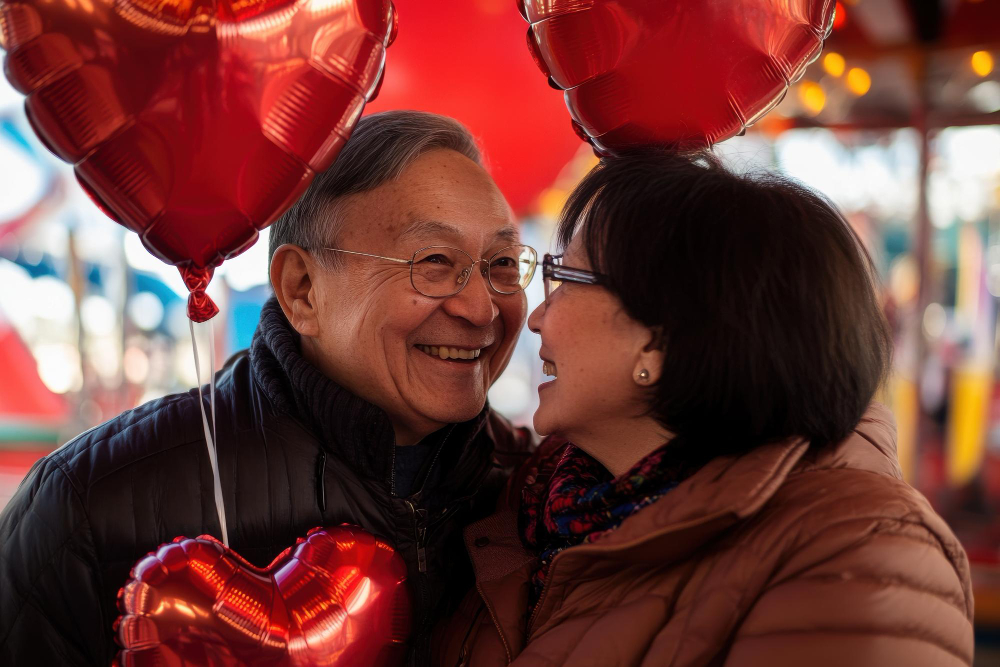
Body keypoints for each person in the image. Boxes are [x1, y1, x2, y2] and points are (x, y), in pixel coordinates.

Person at [0, 110, 536, 665]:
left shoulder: (543, 493)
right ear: (301, 289)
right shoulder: (89, 502)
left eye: (500, 263)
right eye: (435, 262)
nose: (481, 309)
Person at [436, 152, 974, 666]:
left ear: (660, 341)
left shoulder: (857, 548)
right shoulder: (543, 504)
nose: (536, 319)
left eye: (564, 280)